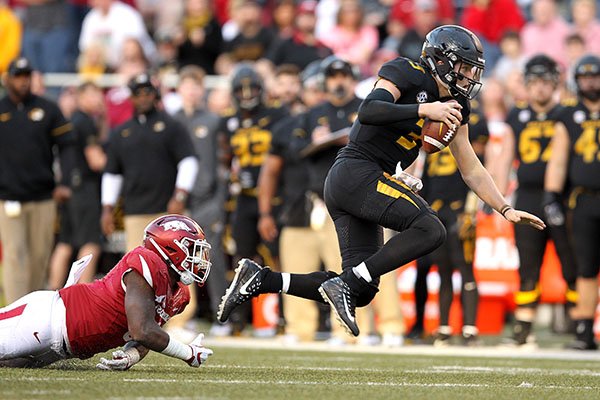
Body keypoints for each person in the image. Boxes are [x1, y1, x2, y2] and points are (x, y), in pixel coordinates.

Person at [217, 25, 545, 338]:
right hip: (356, 171)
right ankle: (342, 283)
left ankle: (259, 279)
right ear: (442, 61)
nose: (471, 77)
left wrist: (504, 207)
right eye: (465, 67)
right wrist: (423, 111)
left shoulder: (457, 106)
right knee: (431, 228)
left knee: (361, 291)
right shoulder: (406, 71)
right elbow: (369, 110)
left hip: (364, 181)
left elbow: (471, 167)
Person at [0, 214, 214, 369]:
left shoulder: (179, 295)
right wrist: (187, 353)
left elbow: (146, 337)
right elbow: (142, 330)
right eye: (193, 249)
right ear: (170, 247)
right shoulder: (146, 261)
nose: (200, 259)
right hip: (47, 319)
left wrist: (130, 355)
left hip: (64, 349)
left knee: (8, 366)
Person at [495, 55, 578, 347]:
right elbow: (506, 156)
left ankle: (579, 324)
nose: (540, 89)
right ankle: (523, 328)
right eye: (535, 83)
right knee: (528, 266)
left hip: (562, 197)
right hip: (528, 197)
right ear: (526, 85)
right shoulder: (517, 116)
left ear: (555, 84)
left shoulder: (567, 113)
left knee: (573, 263)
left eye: (545, 82)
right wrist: (498, 197)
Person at [0, 57, 75, 303]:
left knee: (39, 255)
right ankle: (12, 312)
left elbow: (67, 145)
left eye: (26, 76)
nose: (23, 81)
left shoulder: (48, 109)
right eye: (18, 76)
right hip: (8, 196)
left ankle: (31, 308)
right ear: (7, 79)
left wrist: (64, 182)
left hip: (43, 196)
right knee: (13, 254)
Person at [101, 73, 199, 252]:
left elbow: (188, 161)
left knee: (178, 267)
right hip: (135, 211)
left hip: (168, 211)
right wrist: (107, 208)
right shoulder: (121, 132)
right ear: (131, 97)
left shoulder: (172, 126)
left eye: (147, 92)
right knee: (138, 270)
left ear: (155, 94)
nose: (143, 97)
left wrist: (180, 195)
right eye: (138, 93)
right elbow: (112, 173)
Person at [545, 54, 600, 350]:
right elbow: (559, 159)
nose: (590, 82)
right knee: (586, 268)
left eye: (595, 77)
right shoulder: (568, 115)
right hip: (584, 201)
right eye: (585, 77)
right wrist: (552, 195)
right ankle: (584, 329)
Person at [425, 99, 489, 347]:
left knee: (465, 268)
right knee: (442, 271)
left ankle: (470, 328)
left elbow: (477, 165)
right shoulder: (431, 116)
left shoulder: (474, 121)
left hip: (460, 208)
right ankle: (443, 327)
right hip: (437, 205)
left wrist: (473, 205)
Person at [172, 65, 229, 336]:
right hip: (180, 201)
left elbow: (223, 164)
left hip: (208, 200)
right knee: (177, 260)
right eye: (187, 86)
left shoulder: (214, 121)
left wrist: (220, 201)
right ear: (180, 89)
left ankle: (221, 316)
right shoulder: (172, 121)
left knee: (212, 258)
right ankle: (182, 315)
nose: (192, 92)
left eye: (196, 86)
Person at [48, 82, 108, 289]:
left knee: (65, 244)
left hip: (69, 188)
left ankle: (51, 294)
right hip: (85, 190)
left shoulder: (71, 120)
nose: (99, 100)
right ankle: (84, 296)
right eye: (94, 94)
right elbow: (96, 160)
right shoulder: (84, 122)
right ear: (82, 96)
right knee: (90, 245)